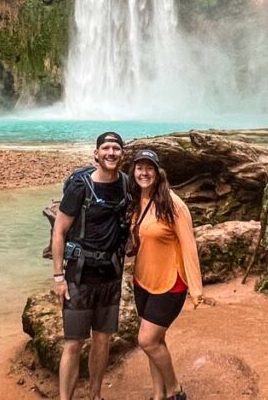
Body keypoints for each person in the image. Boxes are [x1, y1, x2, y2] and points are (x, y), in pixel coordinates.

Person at [51, 131, 132, 400]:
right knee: (73, 343)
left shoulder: (125, 185)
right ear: (96, 154)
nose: (111, 153)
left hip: (110, 276)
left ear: (122, 154)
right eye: (106, 148)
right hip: (79, 276)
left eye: (116, 148)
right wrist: (58, 277)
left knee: (102, 339)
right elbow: (60, 231)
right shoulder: (80, 187)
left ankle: (96, 395)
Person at [128, 149, 204, 400]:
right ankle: (158, 395)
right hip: (143, 280)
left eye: (149, 168)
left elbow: (189, 246)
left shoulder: (173, 204)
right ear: (134, 172)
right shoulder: (136, 199)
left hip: (171, 283)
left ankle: (175, 391)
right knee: (156, 342)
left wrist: (196, 290)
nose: (144, 173)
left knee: (147, 340)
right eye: (140, 168)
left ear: (158, 172)